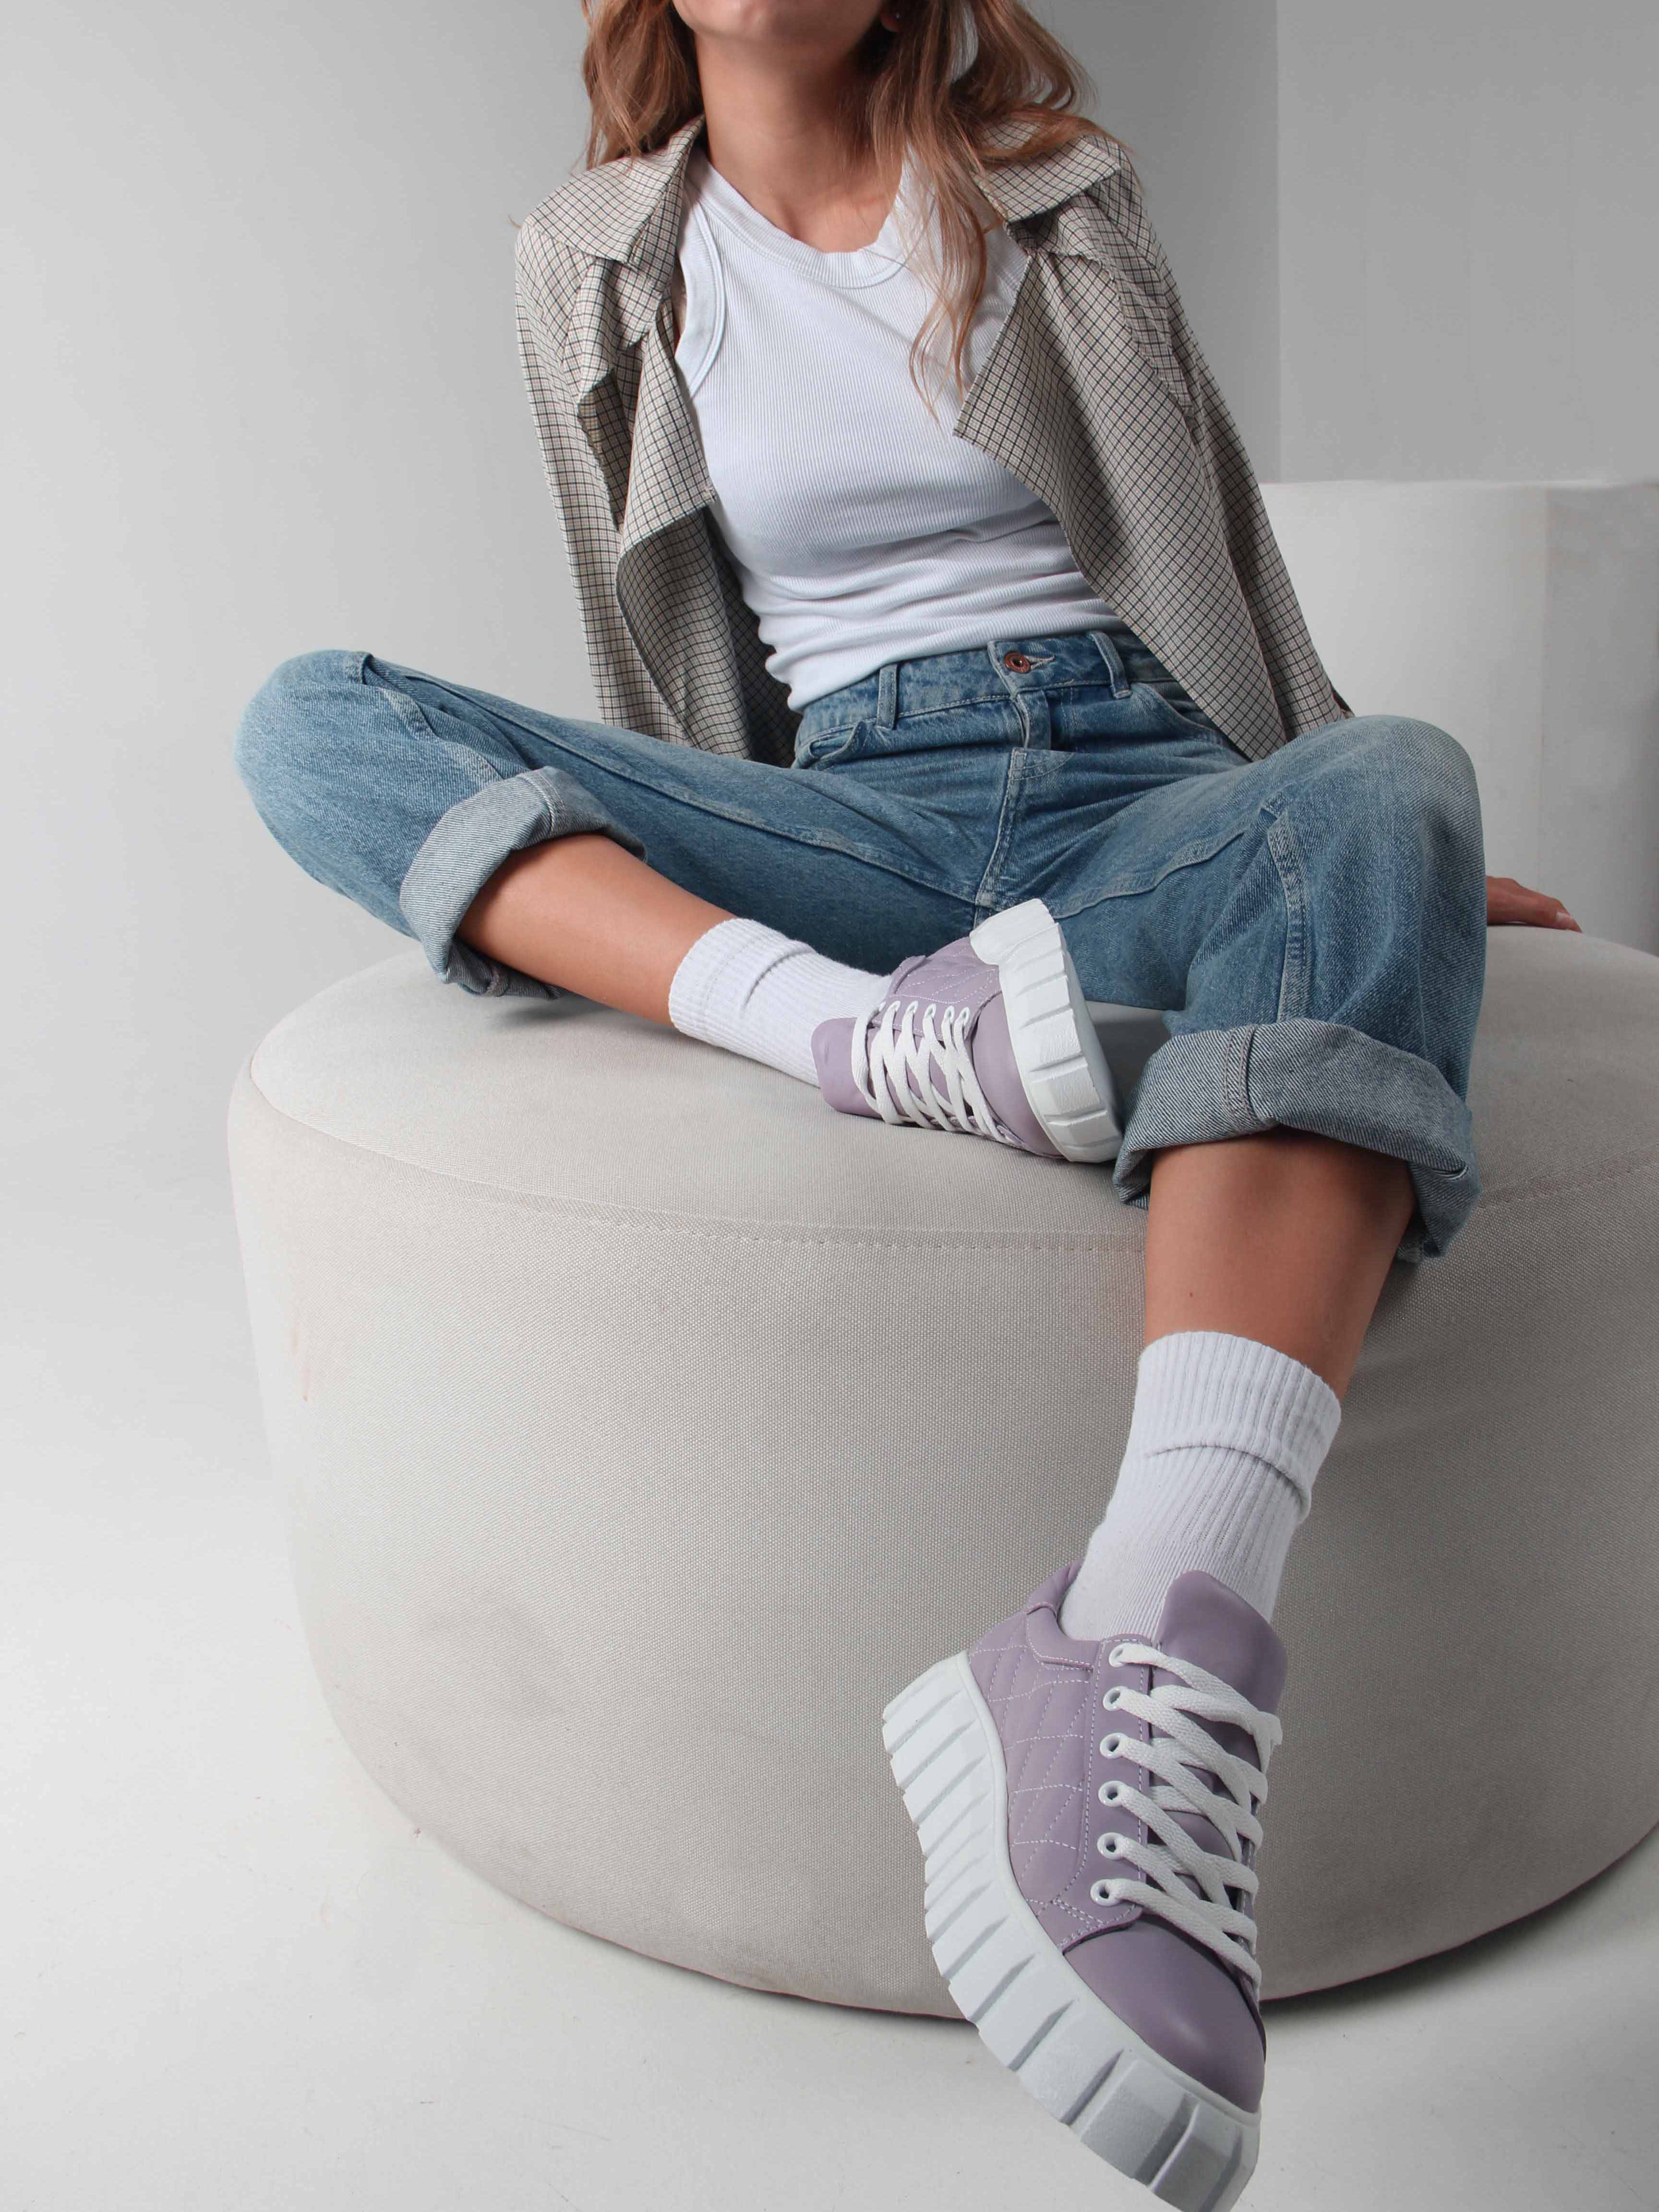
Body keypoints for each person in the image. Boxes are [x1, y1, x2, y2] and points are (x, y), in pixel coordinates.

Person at [234, 2, 1580, 2200]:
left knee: (1401, 773)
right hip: (854, 815)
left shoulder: (1055, 188)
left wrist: (1372, 828)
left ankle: (1144, 1624)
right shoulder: (593, 255)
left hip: (1143, 783)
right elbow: (641, 640)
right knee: (312, 719)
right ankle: (864, 1036)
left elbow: (1219, 554)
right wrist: (705, 915)